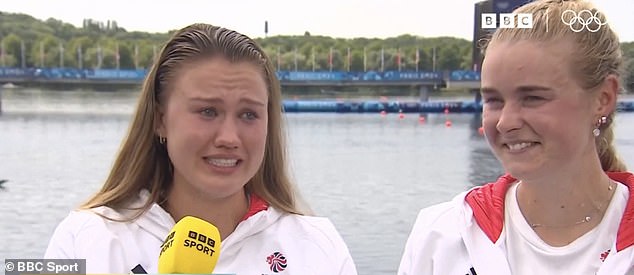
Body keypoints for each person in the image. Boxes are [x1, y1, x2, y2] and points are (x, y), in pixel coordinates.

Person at [45, 23, 357, 275]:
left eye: (249, 114)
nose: (229, 137)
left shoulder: (319, 244)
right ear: (160, 120)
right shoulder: (82, 236)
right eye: (208, 111)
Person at [398, 1, 634, 274]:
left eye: (532, 98)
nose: (505, 122)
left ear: (603, 99)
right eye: (493, 100)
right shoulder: (442, 235)